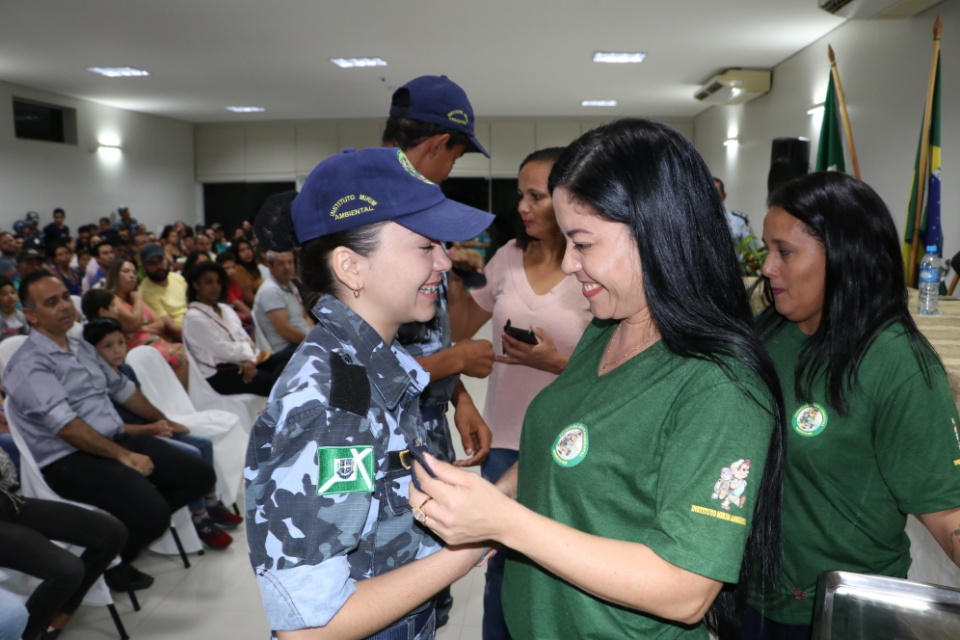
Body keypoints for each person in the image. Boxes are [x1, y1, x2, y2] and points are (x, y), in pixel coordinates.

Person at [406, 119, 787, 639]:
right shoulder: (607, 329)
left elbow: (685, 589)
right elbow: (558, 447)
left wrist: (504, 522)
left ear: (657, 234)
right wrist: (493, 501)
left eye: (583, 243)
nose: (567, 263)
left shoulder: (720, 386)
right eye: (565, 241)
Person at [245, 146, 495, 639]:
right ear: (351, 267)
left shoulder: (369, 368)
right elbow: (313, 629)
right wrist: (468, 548)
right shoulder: (336, 403)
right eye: (425, 247)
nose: (445, 262)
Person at [743, 172, 960, 639]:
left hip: (844, 618)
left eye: (785, 251)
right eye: (767, 249)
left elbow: (947, 511)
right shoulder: (769, 334)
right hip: (749, 601)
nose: (768, 268)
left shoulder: (895, 362)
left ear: (843, 255)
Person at [447, 146, 593, 639]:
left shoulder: (590, 271)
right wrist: (454, 279)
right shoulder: (507, 258)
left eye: (536, 196)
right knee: (501, 566)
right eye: (520, 196)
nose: (524, 207)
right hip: (504, 437)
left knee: (560, 560)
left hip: (567, 443)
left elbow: (618, 369)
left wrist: (554, 363)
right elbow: (462, 325)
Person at [3, 272, 216, 592]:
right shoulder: (29, 364)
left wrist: (164, 420)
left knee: (198, 473)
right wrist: (125, 456)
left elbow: (123, 390)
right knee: (154, 514)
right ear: (31, 315)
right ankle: (112, 558)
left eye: (64, 296)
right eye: (51, 302)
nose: (63, 305)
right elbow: (66, 427)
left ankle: (118, 548)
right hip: (69, 459)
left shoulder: (79, 346)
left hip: (116, 438)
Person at [83, 317, 240, 549]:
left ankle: (212, 503)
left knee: (203, 443)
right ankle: (201, 518)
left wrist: (165, 424)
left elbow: (143, 406)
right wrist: (152, 429)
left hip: (149, 431)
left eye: (120, 343)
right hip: (130, 440)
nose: (117, 350)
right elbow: (111, 428)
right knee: (192, 453)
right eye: (108, 346)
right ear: (92, 352)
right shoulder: (94, 384)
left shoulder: (126, 370)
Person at [0, 446, 127, 640]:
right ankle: (26, 634)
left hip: (9, 503)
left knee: (111, 532)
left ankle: (63, 611)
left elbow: (8, 474)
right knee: (67, 570)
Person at [182, 261, 290, 397]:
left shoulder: (225, 309)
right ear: (196, 285)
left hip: (245, 361)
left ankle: (278, 395)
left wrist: (249, 360)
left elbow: (244, 337)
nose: (215, 287)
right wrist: (248, 357)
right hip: (221, 372)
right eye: (208, 282)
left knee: (289, 358)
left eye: (218, 282)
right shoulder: (194, 317)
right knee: (277, 378)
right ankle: (278, 396)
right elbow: (223, 349)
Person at [93, 259, 189, 388]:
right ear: (115, 275)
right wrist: (138, 300)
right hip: (136, 348)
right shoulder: (113, 298)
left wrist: (140, 328)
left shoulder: (132, 296)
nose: (132, 275)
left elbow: (160, 324)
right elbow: (134, 321)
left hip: (156, 341)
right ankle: (179, 396)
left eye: (134, 272)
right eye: (126, 271)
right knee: (182, 356)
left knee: (190, 350)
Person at [251, 250, 314, 352]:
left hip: (302, 340)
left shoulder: (291, 285)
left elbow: (304, 315)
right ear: (270, 266)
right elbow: (285, 330)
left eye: (290, 262)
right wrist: (312, 342)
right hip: (286, 349)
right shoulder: (270, 290)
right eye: (281, 263)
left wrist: (314, 333)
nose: (287, 267)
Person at [138, 245, 188, 339]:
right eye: (152, 263)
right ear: (144, 267)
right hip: (182, 336)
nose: (158, 266)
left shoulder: (177, 278)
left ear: (166, 260)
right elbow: (171, 329)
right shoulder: (145, 291)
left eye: (160, 260)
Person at [714, 177, 755, 248]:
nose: (712, 197)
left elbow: (754, 250)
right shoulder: (694, 223)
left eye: (716, 193)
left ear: (724, 196)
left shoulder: (738, 221)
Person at [232, 238, 262, 307]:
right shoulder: (239, 269)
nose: (247, 252)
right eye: (242, 250)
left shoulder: (252, 267)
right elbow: (249, 298)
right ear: (236, 254)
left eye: (248, 248)